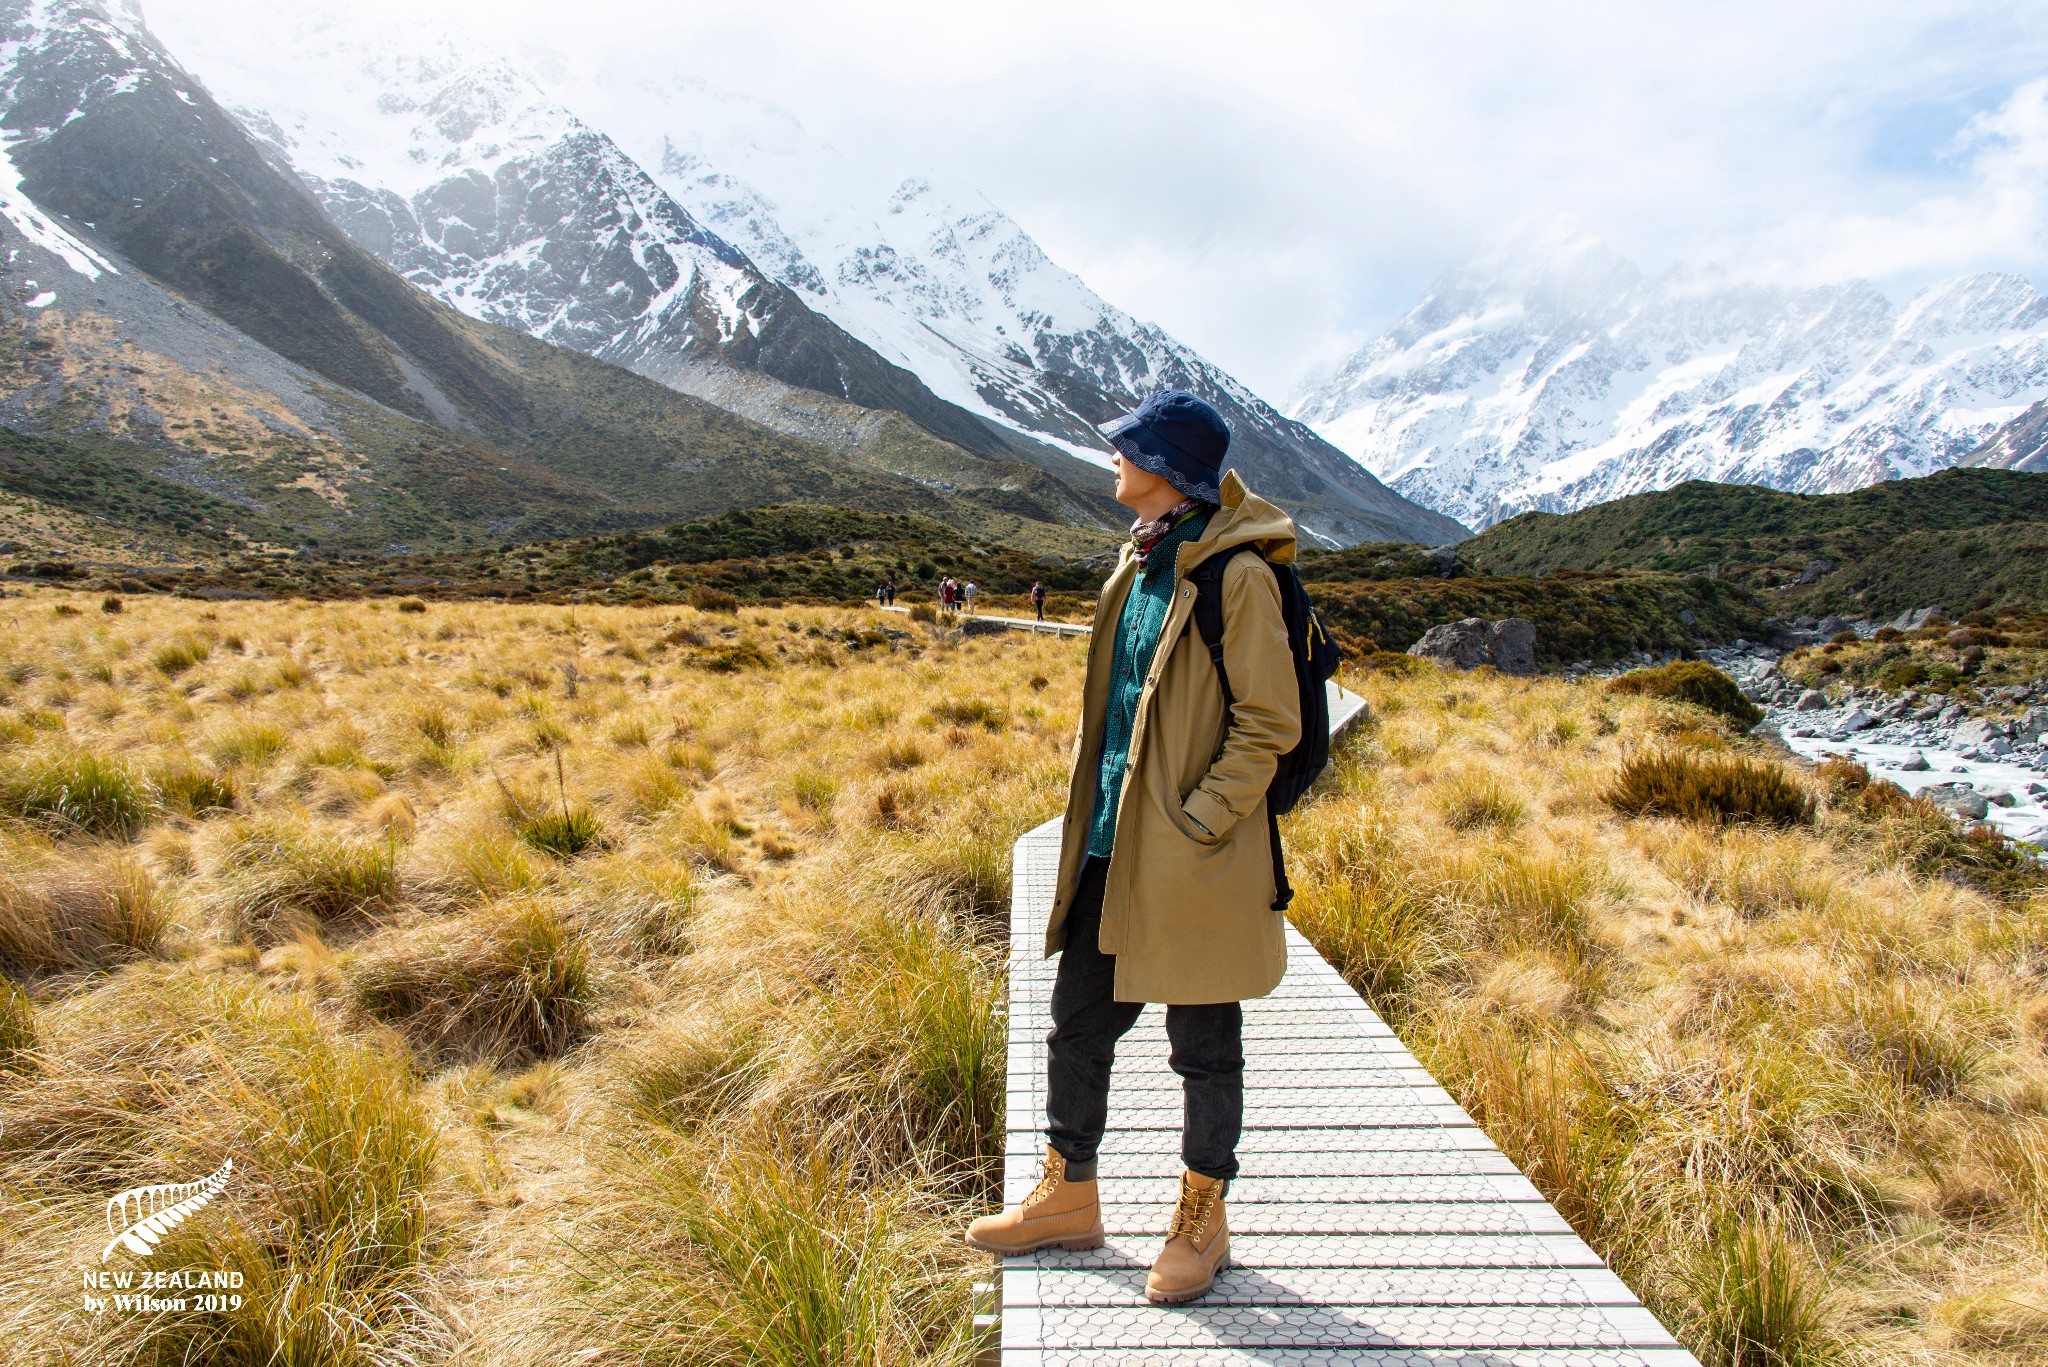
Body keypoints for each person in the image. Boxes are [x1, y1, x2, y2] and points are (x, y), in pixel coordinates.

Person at [963, 389, 1302, 1306]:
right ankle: (1068, 1196)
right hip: (1113, 844)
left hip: (1194, 854)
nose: (1115, 460)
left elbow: (1271, 722)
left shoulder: (1236, 576)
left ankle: (1202, 1217)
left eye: (1130, 449)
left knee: (1204, 1044)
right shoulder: (1139, 564)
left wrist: (1199, 819)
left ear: (1170, 467)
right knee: (1077, 1024)